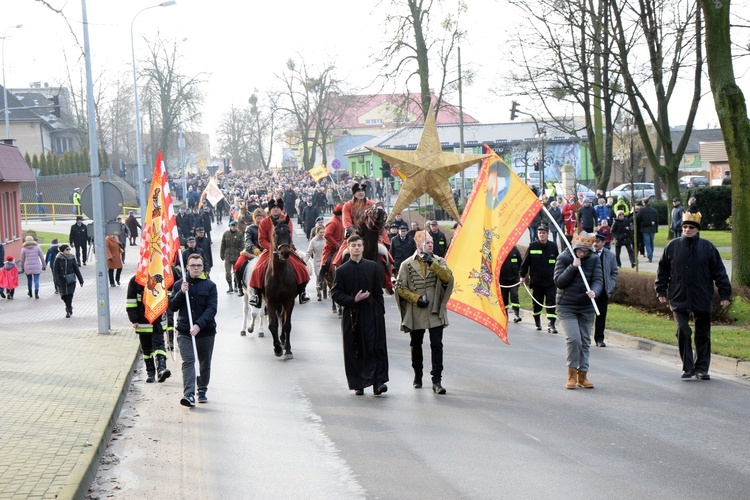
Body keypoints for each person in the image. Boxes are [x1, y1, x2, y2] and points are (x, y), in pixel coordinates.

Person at [655, 212, 731, 381]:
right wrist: (660, 290)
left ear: (697, 230)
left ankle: (702, 368)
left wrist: (725, 294)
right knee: (683, 330)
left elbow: (719, 272)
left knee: (703, 334)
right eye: (685, 227)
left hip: (702, 296)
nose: (687, 230)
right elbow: (662, 271)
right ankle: (687, 367)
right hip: (678, 295)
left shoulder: (708, 247)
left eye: (691, 227)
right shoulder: (672, 247)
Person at [395, 230, 454, 394]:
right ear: (418, 244)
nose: (430, 244)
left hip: (435, 309)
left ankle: (437, 380)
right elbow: (400, 287)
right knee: (416, 344)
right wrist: (415, 298)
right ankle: (418, 375)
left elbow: (447, 278)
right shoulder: (407, 264)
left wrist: (432, 264)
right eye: (427, 242)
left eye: (431, 242)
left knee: (437, 344)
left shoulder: (439, 261)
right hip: (416, 310)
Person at [331, 234, 389, 396]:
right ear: (348, 248)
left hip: (372, 314)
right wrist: (352, 299)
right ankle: (359, 383)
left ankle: (378, 382)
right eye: (353, 245)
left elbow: (378, 292)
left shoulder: (372, 267)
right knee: (354, 349)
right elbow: (335, 293)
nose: (356, 248)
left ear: (363, 248)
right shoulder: (342, 270)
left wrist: (380, 312)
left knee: (375, 347)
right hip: (352, 316)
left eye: (359, 245)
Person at [554, 232, 603, 389]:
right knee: (574, 339)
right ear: (574, 248)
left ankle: (583, 375)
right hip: (567, 306)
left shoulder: (594, 259)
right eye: (580, 251)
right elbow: (559, 282)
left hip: (586, 307)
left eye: (586, 251)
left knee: (585, 341)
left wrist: (595, 291)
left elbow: (598, 279)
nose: (583, 254)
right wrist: (573, 267)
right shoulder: (563, 258)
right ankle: (571, 374)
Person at [169, 253, 218, 407]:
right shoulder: (179, 285)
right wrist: (181, 293)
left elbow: (212, 309)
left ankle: (202, 389)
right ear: (187, 267)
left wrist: (198, 325)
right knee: (189, 361)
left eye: (199, 265)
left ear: (203, 267)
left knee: (204, 362)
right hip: (185, 331)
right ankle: (188, 394)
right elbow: (172, 306)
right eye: (193, 265)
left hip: (205, 331)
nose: (196, 268)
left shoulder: (210, 286)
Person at [249, 198, 311, 308]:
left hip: (285, 248)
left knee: (301, 266)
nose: (276, 209)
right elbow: (261, 240)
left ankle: (302, 292)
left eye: (278, 208)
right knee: (257, 269)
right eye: (274, 208)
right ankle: (256, 295)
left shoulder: (287, 220)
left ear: (281, 209)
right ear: (270, 210)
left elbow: (289, 236)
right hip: (270, 250)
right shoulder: (264, 222)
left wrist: (284, 247)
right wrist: (272, 247)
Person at [126, 275, 171, 383]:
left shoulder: (161, 277)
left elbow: (169, 296)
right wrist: (134, 319)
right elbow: (131, 301)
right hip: (143, 321)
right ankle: (150, 372)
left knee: (159, 345)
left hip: (158, 320)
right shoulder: (135, 281)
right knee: (146, 348)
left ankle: (161, 369)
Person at [520, 225, 559, 333]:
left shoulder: (553, 247)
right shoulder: (532, 246)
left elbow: (558, 262)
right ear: (537, 234)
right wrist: (523, 276)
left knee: (551, 302)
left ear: (547, 234)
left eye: (544, 233)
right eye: (540, 233)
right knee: (537, 303)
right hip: (537, 281)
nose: (542, 235)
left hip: (551, 281)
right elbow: (525, 263)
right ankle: (537, 320)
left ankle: (551, 324)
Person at [592, 232, 618, 347]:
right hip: (589, 290)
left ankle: (599, 338)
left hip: (603, 291)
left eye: (598, 242)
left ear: (603, 243)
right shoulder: (588, 253)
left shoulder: (610, 256)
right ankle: (585, 337)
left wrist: (610, 285)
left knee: (601, 315)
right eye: (594, 241)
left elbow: (614, 272)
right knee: (586, 315)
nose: (595, 244)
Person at [233, 208, 266, 297]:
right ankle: (240, 287)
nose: (259, 218)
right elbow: (247, 240)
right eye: (257, 216)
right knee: (237, 265)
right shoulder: (250, 228)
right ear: (254, 218)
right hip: (251, 252)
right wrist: (254, 248)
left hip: (265, 252)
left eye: (261, 216)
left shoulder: (267, 228)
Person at [53, 244, 84, 318]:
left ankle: (68, 309)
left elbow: (76, 269)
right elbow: (55, 271)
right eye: (66, 249)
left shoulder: (72, 258)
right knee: (64, 296)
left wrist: (81, 280)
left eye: (69, 249)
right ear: (62, 251)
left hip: (71, 279)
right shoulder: (58, 259)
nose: (68, 251)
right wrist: (57, 281)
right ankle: (68, 306)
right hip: (62, 280)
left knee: (70, 295)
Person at [500, 245, 524, 323]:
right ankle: (505, 315)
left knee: (514, 295)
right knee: (504, 298)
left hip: (514, 278)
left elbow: (521, 262)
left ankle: (516, 314)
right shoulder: (499, 249)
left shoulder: (514, 249)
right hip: (503, 279)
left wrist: (521, 274)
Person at [219, 220, 244, 293]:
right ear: (230, 226)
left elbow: (242, 244)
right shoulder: (226, 234)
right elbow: (222, 245)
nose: (234, 227)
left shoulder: (239, 234)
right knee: (228, 272)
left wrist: (241, 254)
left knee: (236, 271)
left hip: (237, 255)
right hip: (227, 255)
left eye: (235, 226)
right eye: (232, 226)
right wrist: (222, 254)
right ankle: (230, 286)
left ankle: (236, 285)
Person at [635, 198, 658, 262]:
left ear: (643, 202)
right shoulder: (654, 210)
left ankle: (650, 256)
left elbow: (637, 218)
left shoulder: (641, 210)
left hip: (645, 229)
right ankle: (651, 255)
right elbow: (657, 220)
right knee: (651, 243)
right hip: (652, 229)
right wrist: (656, 228)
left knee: (647, 243)